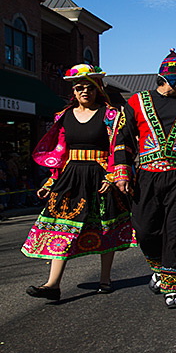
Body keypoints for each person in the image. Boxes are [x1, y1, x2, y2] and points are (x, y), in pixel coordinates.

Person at [22, 64, 134, 301]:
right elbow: (60, 152)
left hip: (101, 177)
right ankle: (52, 284)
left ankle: (105, 279)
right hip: (71, 177)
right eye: (80, 88)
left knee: (105, 228)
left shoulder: (111, 115)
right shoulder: (62, 117)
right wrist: (52, 181)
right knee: (61, 228)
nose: (85, 91)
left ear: (97, 90)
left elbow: (118, 147)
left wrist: (113, 176)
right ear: (73, 92)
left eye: (90, 88)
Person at [114, 49, 176, 309]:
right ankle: (160, 269)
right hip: (146, 176)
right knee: (145, 229)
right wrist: (122, 170)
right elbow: (123, 138)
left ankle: (174, 286)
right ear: (169, 78)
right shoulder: (136, 102)